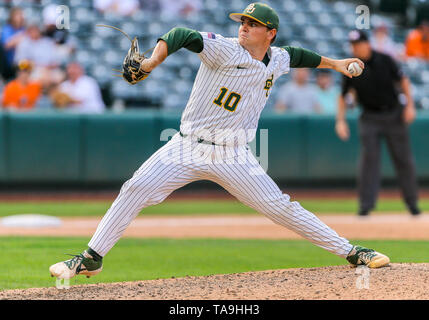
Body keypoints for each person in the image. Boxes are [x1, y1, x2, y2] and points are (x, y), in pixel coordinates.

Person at [49, 3, 389, 280]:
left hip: (233, 154)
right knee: (135, 188)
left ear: (270, 33)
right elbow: (181, 34)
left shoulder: (278, 58)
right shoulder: (224, 48)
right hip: (185, 145)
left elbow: (300, 55)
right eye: (243, 20)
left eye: (253, 23)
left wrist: (337, 64)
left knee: (280, 207)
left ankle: (352, 251)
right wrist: (152, 61)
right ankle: (92, 257)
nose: (244, 26)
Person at [336, 30, 420, 217]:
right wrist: (340, 121)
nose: (355, 48)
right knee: (369, 161)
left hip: (393, 113)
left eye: (358, 44)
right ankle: (366, 205)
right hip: (369, 116)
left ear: (367, 44)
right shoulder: (351, 66)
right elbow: (342, 95)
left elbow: (403, 80)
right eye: (353, 45)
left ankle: (412, 203)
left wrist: (410, 106)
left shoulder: (385, 59)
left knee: (404, 159)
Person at [0, 7, 26, 77]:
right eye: (18, 15)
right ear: (12, 17)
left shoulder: (23, 29)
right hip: (10, 63)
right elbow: (6, 45)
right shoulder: (7, 29)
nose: (20, 17)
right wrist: (19, 38)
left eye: (21, 15)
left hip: (23, 60)